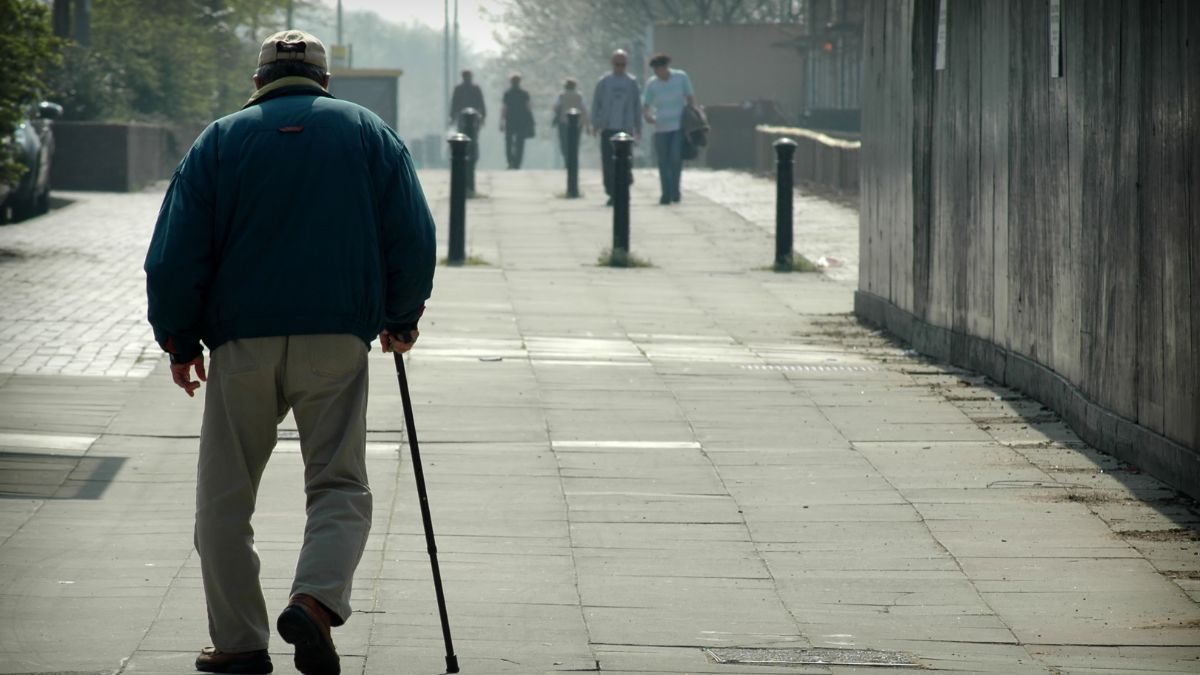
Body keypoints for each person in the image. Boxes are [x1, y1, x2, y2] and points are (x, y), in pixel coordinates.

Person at [143, 30, 436, 675]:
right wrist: (401, 316)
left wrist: (177, 338)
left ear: (258, 82)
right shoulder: (367, 132)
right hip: (335, 341)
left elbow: (173, 254)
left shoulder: (219, 139)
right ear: (326, 83)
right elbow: (412, 233)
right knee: (338, 481)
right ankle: (315, 598)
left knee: (224, 496)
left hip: (240, 343)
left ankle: (240, 643)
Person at [642, 52, 695, 204]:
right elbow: (646, 104)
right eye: (655, 70)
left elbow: (690, 96)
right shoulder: (652, 84)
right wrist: (647, 115)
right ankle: (665, 193)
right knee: (663, 161)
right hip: (661, 127)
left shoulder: (681, 77)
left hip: (678, 125)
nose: (658, 73)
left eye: (660, 69)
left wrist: (692, 115)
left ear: (666, 67)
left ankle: (675, 190)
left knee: (675, 158)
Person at [591, 49, 641, 206]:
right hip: (608, 128)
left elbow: (636, 106)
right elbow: (596, 104)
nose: (620, 67)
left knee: (626, 162)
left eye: (623, 64)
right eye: (617, 64)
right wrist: (596, 124)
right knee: (608, 163)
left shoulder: (631, 82)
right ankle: (612, 192)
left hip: (625, 129)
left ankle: (624, 190)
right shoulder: (604, 82)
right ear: (612, 64)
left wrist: (638, 127)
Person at [450, 69, 486, 179]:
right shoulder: (474, 89)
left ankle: (467, 159)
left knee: (464, 140)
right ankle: (469, 159)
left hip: (465, 118)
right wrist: (483, 115)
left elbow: (454, 103)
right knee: (471, 140)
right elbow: (481, 103)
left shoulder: (460, 89)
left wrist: (452, 116)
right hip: (472, 118)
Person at [500, 73, 535, 169]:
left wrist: (501, 121)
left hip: (510, 120)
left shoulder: (507, 94)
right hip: (522, 120)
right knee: (520, 142)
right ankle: (517, 163)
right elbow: (529, 108)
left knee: (508, 141)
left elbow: (504, 108)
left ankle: (510, 161)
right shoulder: (524, 94)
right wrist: (531, 120)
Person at [552, 77, 588, 164]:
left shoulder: (561, 96)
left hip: (563, 122)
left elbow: (555, 108)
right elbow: (584, 110)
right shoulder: (579, 96)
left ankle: (567, 159)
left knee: (564, 142)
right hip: (577, 124)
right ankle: (573, 160)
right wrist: (587, 124)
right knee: (575, 142)